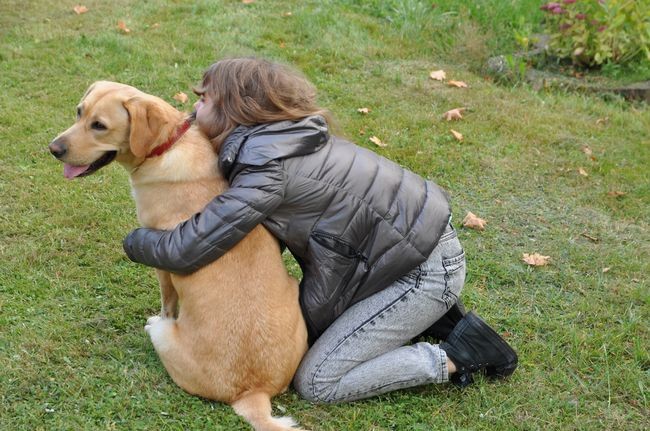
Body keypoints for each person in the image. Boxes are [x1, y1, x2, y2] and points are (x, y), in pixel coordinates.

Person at [123, 57, 518, 403]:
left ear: (235, 109)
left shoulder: (265, 168)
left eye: (204, 99)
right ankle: (422, 320)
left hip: (422, 271)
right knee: (308, 340)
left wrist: (137, 240)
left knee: (317, 380)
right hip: (400, 253)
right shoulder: (282, 137)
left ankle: (459, 353)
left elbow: (189, 247)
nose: (193, 108)